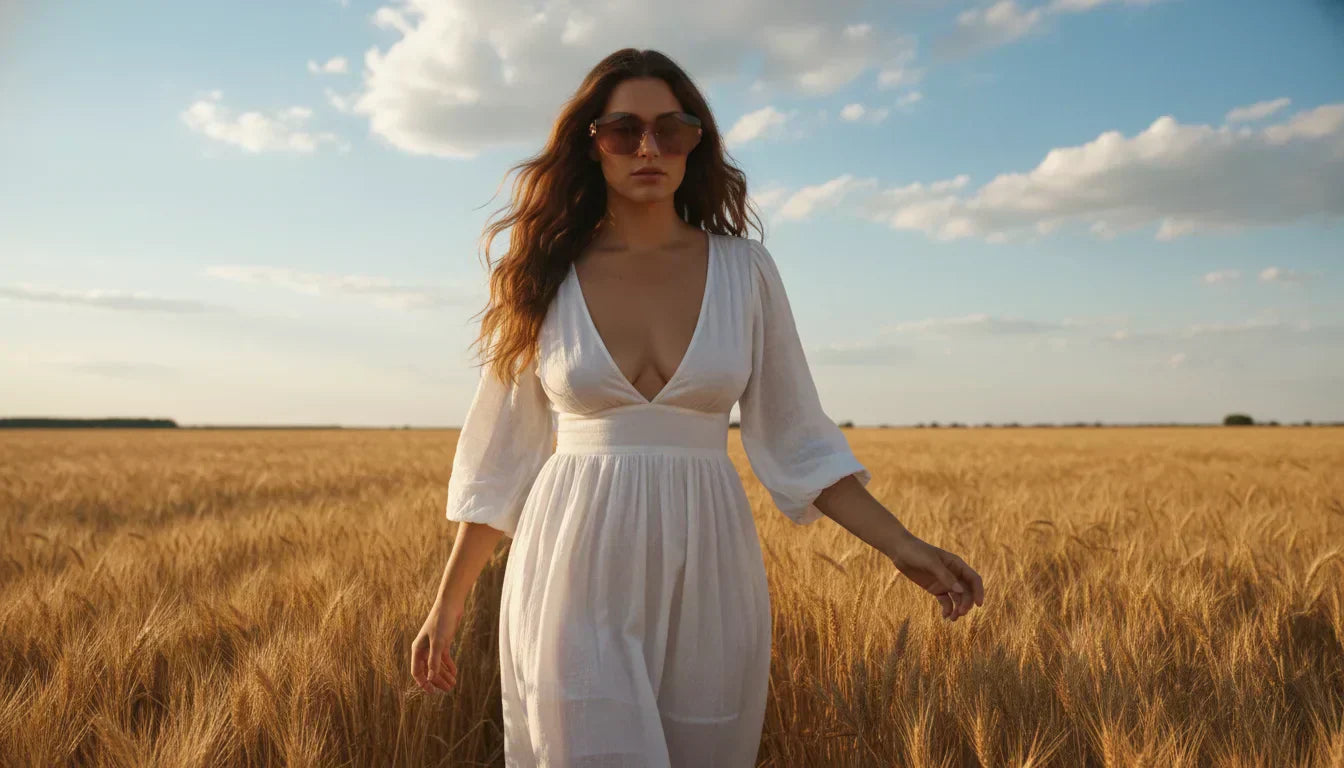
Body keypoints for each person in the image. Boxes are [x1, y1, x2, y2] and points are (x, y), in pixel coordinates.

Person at [411, 47, 986, 767]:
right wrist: (448, 605)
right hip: (572, 564)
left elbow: (800, 441)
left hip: (710, 566)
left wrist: (904, 547)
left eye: (672, 130)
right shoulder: (541, 275)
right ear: (591, 145)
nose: (648, 148)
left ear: (696, 144)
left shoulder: (746, 272)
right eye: (623, 130)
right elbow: (499, 457)